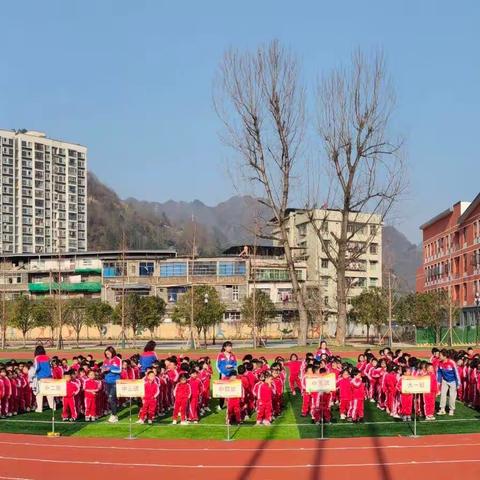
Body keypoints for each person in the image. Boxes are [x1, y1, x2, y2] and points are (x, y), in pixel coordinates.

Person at [101, 346, 122, 423]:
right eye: (106, 354)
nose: (107, 355)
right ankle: (113, 413)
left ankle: (114, 416)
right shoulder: (105, 360)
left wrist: (110, 369)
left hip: (115, 382)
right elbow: (103, 368)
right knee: (110, 399)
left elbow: (119, 370)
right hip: (107, 382)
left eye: (108, 353)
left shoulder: (117, 359)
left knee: (111, 399)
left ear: (112, 352)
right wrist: (103, 370)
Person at [437, 349, 460, 416]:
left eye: (440, 355)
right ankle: (442, 409)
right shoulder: (440, 363)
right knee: (443, 395)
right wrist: (438, 381)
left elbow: (456, 373)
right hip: (444, 380)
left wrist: (458, 383)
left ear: (445, 356)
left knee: (452, 396)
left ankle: (451, 409)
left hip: (453, 381)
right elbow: (439, 372)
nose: (439, 356)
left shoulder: (452, 362)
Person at [216, 341, 237, 410]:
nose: (230, 348)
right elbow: (217, 365)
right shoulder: (220, 355)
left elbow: (235, 364)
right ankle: (220, 405)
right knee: (222, 390)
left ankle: (230, 404)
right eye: (228, 346)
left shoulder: (233, 355)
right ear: (224, 347)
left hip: (231, 375)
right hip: (223, 374)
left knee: (230, 390)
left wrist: (232, 367)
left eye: (230, 346)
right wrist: (221, 373)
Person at [33, 345, 54, 413]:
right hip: (49, 377)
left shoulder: (37, 358)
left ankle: (40, 408)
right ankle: (53, 406)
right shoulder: (47, 357)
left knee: (39, 394)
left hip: (41, 378)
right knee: (50, 393)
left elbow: (37, 368)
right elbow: (51, 367)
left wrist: (34, 373)